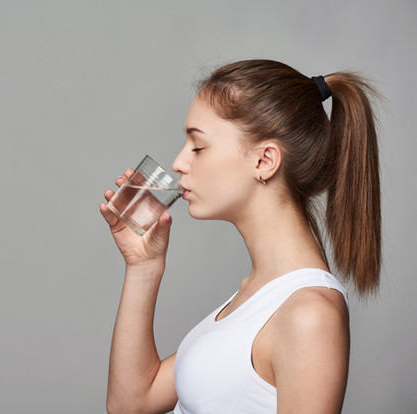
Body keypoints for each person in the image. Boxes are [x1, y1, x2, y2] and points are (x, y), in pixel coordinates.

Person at [99, 59, 381, 414]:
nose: (178, 162)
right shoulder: (255, 294)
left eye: (198, 147)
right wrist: (143, 266)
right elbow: (131, 403)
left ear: (264, 161)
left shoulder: (308, 314)